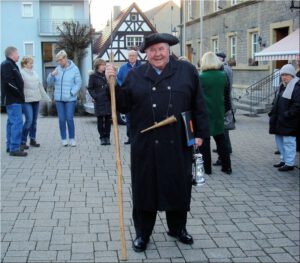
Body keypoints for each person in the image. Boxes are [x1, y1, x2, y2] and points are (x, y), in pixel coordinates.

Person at [105, 33, 209, 253]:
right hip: (145, 143)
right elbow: (122, 105)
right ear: (146, 53)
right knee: (145, 189)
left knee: (178, 186)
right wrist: (111, 84)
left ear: (168, 49)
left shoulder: (187, 71)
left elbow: (199, 103)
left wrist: (200, 133)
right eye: (152, 50)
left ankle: (178, 228)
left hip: (178, 141)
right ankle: (143, 233)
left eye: (161, 48)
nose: (157, 53)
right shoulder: (135, 75)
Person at [198, 51, 232, 175]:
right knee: (221, 140)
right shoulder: (223, 75)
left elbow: (198, 97)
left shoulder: (201, 77)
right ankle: (227, 166)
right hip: (219, 111)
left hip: (204, 113)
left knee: (205, 142)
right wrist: (226, 110)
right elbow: (227, 95)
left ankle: (207, 169)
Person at [269, 64, 300, 172]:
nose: (284, 77)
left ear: (292, 75)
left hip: (289, 121)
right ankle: (283, 160)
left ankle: (289, 163)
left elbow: (297, 105)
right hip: (279, 120)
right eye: (282, 75)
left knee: (289, 142)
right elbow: (276, 101)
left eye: (287, 75)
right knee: (280, 142)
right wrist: (272, 112)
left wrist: (287, 114)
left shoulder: (296, 87)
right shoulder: (282, 86)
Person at [47, 50, 82, 147]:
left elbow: (78, 83)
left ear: (65, 58)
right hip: (59, 99)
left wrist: (72, 92)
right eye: (57, 61)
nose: (58, 62)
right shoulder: (57, 69)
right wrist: (51, 75)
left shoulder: (74, 69)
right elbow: (50, 83)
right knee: (61, 119)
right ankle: (63, 139)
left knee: (69, 118)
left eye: (59, 60)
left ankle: (72, 138)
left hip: (70, 99)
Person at [1, 46, 27, 156]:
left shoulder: (11, 64)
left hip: (13, 98)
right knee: (17, 123)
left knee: (12, 123)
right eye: (17, 53)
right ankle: (14, 148)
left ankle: (10, 146)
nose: (19, 55)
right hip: (13, 99)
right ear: (11, 54)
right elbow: (9, 82)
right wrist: (19, 93)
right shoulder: (7, 64)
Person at [20, 56, 50, 149]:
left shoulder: (35, 73)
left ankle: (33, 139)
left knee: (34, 121)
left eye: (32, 63)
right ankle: (23, 141)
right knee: (28, 120)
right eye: (30, 63)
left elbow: (40, 86)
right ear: (24, 64)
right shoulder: (21, 73)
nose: (32, 64)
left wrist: (47, 98)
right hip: (26, 100)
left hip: (36, 99)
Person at [117, 50, 141, 144]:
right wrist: (122, 86)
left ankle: (138, 137)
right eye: (130, 55)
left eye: (133, 55)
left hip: (139, 96)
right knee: (129, 118)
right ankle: (130, 138)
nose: (131, 57)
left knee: (139, 118)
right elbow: (118, 79)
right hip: (127, 96)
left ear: (136, 56)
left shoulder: (142, 67)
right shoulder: (123, 68)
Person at [214, 52, 234, 166]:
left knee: (223, 130)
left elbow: (225, 87)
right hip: (225, 101)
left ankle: (225, 150)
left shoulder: (224, 70)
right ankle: (227, 148)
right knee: (224, 129)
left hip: (223, 102)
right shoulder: (226, 68)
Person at [88, 59, 111, 145]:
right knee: (100, 120)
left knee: (108, 120)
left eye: (105, 65)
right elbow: (90, 88)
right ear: (98, 66)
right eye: (102, 65)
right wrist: (95, 97)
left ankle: (107, 137)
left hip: (108, 100)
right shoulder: (93, 76)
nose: (104, 66)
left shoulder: (107, 75)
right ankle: (102, 138)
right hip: (99, 101)